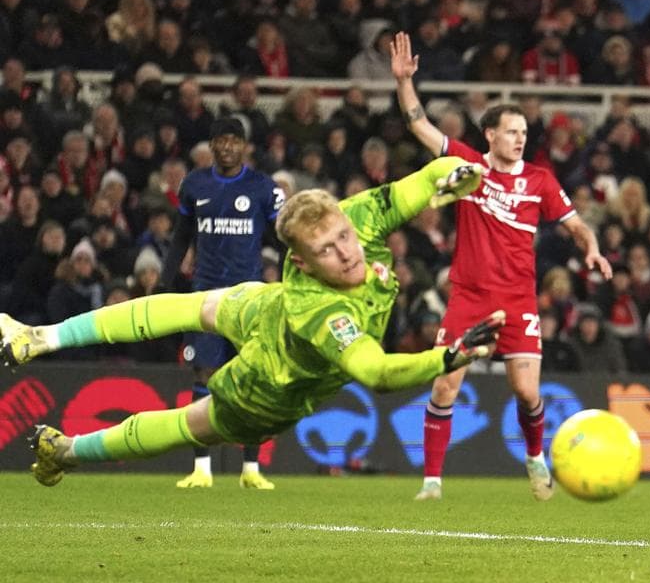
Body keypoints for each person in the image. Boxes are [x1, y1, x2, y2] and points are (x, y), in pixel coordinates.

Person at [6, 156, 500, 487]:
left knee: (190, 371)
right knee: (189, 371)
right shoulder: (325, 313)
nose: (347, 252)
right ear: (301, 263)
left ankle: (64, 440)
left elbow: (426, 177)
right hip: (269, 365)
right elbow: (378, 373)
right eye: (327, 250)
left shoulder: (354, 217)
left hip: (275, 346)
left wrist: (460, 172)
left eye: (344, 237)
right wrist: (446, 358)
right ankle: (45, 353)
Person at [390, 32, 613, 502]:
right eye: (511, 132)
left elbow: (575, 225)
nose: (519, 140)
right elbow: (419, 126)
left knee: (527, 393)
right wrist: (405, 82)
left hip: (517, 300)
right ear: (490, 134)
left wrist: (591, 249)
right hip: (468, 297)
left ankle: (534, 457)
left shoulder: (540, 180)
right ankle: (432, 482)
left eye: (524, 133)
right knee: (445, 387)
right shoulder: (469, 167)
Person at [157, 117, 282, 490]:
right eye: (221, 140)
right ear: (212, 146)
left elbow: (283, 239)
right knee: (204, 376)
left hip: (249, 299)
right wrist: (164, 281)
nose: (227, 146)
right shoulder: (195, 184)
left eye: (234, 140)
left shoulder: (263, 188)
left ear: (245, 146)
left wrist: (293, 279)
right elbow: (181, 238)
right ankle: (202, 468)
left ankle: (251, 468)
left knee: (253, 377)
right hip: (206, 295)